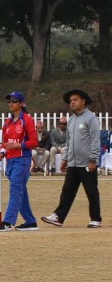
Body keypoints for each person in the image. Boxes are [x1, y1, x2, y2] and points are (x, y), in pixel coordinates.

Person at [44, 89, 102, 228]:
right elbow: (68, 142)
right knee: (67, 191)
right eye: (70, 101)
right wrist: (65, 159)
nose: (72, 103)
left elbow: (95, 140)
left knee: (91, 191)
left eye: (75, 100)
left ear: (83, 101)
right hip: (73, 163)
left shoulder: (91, 118)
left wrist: (93, 159)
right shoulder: (71, 120)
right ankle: (58, 217)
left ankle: (96, 219)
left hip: (87, 163)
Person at [0, 91, 40, 231]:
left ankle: (8, 221)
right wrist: (2, 152)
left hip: (22, 159)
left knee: (15, 190)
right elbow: (5, 142)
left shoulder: (27, 119)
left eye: (14, 101)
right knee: (21, 190)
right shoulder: (8, 122)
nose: (10, 104)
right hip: (10, 160)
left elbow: (34, 141)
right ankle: (30, 221)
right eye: (9, 101)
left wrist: (18, 145)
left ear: (21, 104)